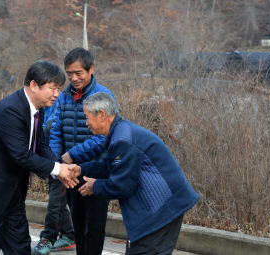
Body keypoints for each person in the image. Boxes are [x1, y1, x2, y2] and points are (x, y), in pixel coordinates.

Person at [0, 60, 80, 255]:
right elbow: (21, 154)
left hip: (10, 194)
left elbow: (40, 146)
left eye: (59, 88)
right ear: (33, 85)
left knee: (19, 248)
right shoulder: (11, 110)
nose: (57, 94)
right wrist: (57, 169)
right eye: (52, 88)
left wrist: (59, 169)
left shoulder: (37, 109)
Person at [76, 92, 200, 255]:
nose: (86, 123)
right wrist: (81, 169)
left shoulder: (122, 140)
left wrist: (95, 187)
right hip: (161, 209)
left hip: (161, 211)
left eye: (87, 117)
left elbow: (122, 185)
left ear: (101, 115)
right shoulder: (120, 132)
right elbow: (111, 168)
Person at [45, 48, 116, 255]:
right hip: (70, 172)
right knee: (77, 224)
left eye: (78, 73)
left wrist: (73, 155)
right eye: (69, 73)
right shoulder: (64, 96)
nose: (73, 78)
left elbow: (104, 136)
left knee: (93, 227)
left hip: (96, 170)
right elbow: (56, 129)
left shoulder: (103, 95)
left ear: (90, 69)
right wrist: (58, 162)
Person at [32, 100, 76, 255]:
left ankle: (47, 239)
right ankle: (69, 235)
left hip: (62, 166)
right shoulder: (40, 108)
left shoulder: (58, 106)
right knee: (58, 201)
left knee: (55, 203)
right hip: (53, 164)